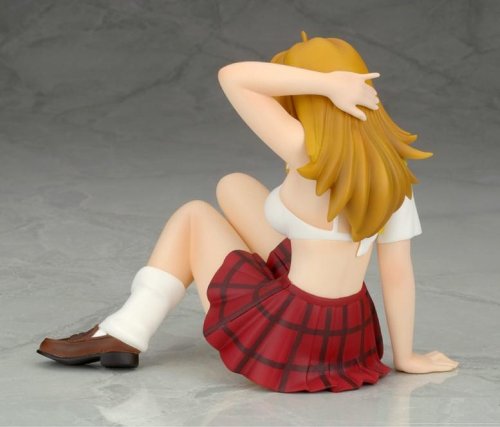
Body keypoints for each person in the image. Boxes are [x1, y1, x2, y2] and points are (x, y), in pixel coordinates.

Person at [37, 33, 459, 393]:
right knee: (233, 185)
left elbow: (233, 76)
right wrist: (405, 356)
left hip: (293, 332)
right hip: (348, 334)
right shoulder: (393, 171)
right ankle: (130, 329)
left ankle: (125, 331)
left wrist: (325, 84)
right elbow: (397, 274)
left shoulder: (304, 149)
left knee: (194, 215)